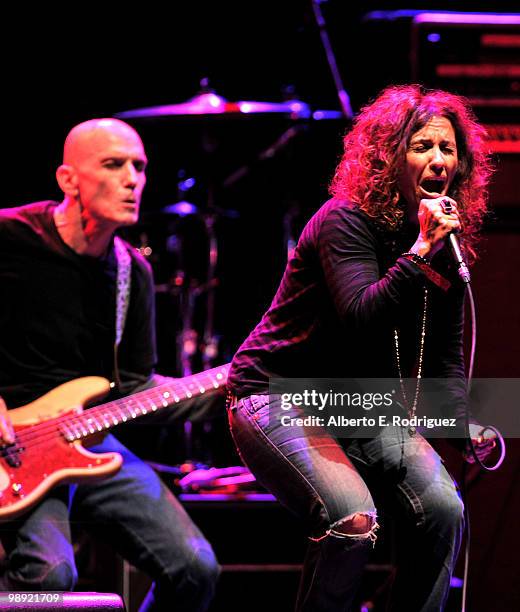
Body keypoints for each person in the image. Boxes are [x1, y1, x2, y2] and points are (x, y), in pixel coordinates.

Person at [226, 85, 496, 611]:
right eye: (422, 147)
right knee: (352, 519)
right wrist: (420, 252)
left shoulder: (442, 246)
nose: (438, 160)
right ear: (388, 157)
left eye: (448, 149)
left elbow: (441, 359)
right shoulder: (344, 221)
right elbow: (360, 317)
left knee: (444, 507)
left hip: (358, 402)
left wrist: (463, 432)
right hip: (277, 395)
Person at [0, 118, 220, 611]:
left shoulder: (131, 271)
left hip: (89, 441)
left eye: (139, 167)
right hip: (13, 448)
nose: (132, 179)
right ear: (68, 179)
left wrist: (225, 387)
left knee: (195, 567)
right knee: (50, 574)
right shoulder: (10, 236)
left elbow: (134, 386)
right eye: (113, 164)